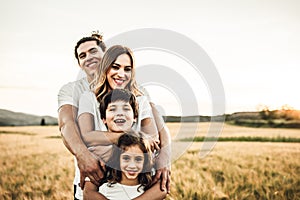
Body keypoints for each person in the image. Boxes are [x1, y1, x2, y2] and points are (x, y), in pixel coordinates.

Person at [82, 89, 166, 199]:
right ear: (103, 119)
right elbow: (88, 192)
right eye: (113, 109)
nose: (120, 113)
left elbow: (162, 188)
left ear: (135, 117)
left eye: (126, 109)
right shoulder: (99, 152)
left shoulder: (144, 147)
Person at [57, 32, 107, 200]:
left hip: (132, 184)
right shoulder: (71, 90)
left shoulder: (128, 83)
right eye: (82, 55)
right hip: (89, 183)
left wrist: (164, 160)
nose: (88, 57)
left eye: (93, 51)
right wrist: (83, 155)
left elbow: (156, 124)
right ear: (79, 63)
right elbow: (66, 123)